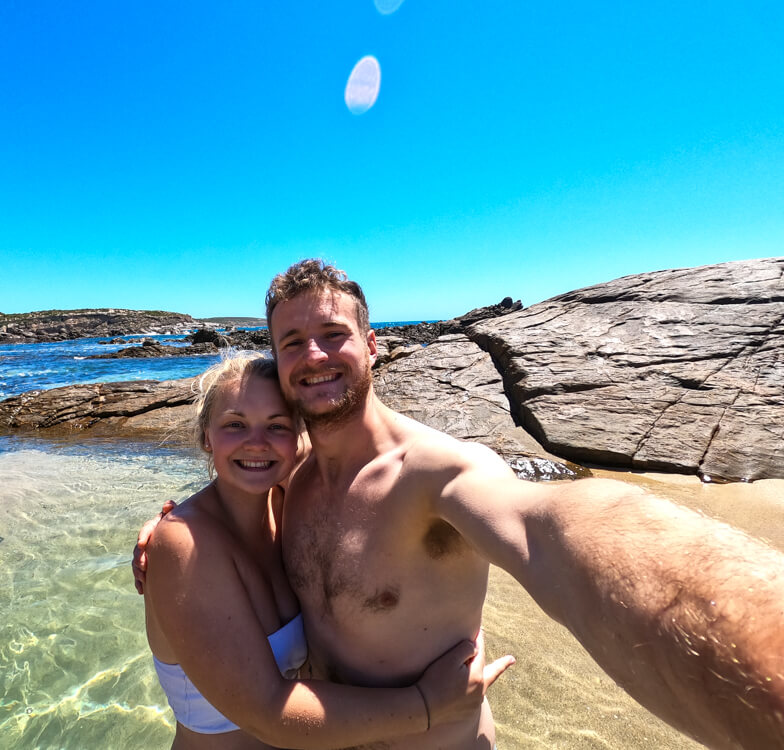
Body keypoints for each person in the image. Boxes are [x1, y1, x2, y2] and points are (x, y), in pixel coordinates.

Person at [140, 259, 784, 750]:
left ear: (373, 345)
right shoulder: (292, 477)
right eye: (291, 342)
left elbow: (550, 527)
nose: (313, 356)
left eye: (333, 333)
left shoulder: (441, 473)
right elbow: (231, 511)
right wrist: (176, 534)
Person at [142, 352, 515, 749]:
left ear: (296, 437)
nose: (257, 443)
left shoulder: (288, 512)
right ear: (206, 437)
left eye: (276, 425)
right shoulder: (182, 543)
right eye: (235, 424)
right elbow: (270, 713)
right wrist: (426, 705)